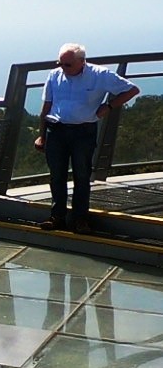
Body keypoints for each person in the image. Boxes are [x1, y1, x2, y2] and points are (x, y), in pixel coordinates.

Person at [33, 44, 138, 234]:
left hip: (83, 131)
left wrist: (109, 107)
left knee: (82, 176)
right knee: (57, 176)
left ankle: (80, 219)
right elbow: (46, 106)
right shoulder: (54, 75)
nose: (63, 68)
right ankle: (57, 217)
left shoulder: (99, 75)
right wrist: (41, 136)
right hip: (56, 130)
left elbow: (131, 90)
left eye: (68, 64)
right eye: (61, 63)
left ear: (82, 61)